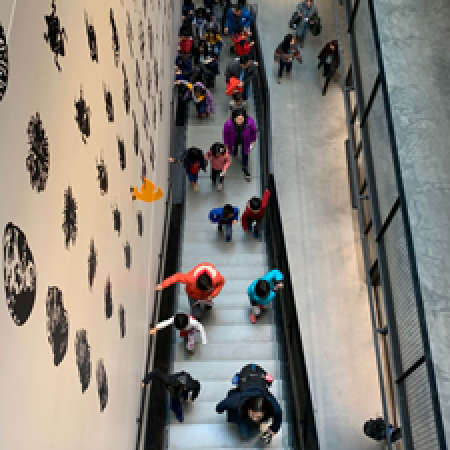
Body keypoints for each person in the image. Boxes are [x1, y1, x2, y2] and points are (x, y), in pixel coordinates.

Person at [216, 364, 282, 443]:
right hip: (243, 409)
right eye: (253, 415)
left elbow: (278, 414)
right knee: (245, 434)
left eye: (258, 416)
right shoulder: (236, 401)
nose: (255, 419)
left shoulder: (271, 404)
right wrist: (222, 410)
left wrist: (273, 430)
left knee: (254, 426)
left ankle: (255, 421)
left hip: (257, 392)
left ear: (265, 412)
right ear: (248, 408)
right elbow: (220, 406)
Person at [155, 262, 225, 320]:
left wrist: (213, 295)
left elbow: (221, 283)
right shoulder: (189, 279)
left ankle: (207, 304)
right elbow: (177, 277)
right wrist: (163, 285)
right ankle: (198, 315)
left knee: (207, 302)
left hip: (208, 296)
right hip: (193, 295)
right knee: (197, 314)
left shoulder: (216, 278)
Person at [223, 108, 258, 181]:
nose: (240, 121)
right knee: (234, 147)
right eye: (238, 119)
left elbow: (254, 131)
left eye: (242, 119)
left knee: (245, 153)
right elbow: (225, 134)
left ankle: (245, 166)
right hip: (233, 140)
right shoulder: (228, 124)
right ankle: (235, 151)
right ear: (234, 118)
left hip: (245, 141)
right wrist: (226, 144)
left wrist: (253, 140)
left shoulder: (250, 123)